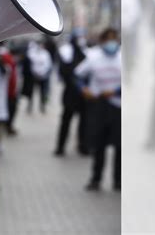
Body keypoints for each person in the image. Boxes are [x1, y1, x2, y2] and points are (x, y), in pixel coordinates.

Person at [75, 28, 121, 191]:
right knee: (99, 144)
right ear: (102, 41)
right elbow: (77, 76)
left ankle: (118, 181)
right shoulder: (93, 58)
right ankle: (96, 179)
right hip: (99, 106)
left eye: (114, 39)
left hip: (119, 107)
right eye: (108, 39)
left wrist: (116, 91)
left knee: (120, 146)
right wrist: (83, 89)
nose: (111, 42)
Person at [54, 33, 89, 156]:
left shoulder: (86, 54)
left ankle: (83, 145)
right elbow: (64, 74)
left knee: (84, 122)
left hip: (83, 95)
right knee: (66, 121)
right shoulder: (67, 54)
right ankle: (60, 146)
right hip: (70, 94)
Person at [27, 40, 53, 114]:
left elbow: (48, 65)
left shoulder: (46, 54)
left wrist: (42, 72)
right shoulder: (32, 53)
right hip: (33, 76)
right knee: (31, 92)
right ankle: (30, 106)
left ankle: (42, 106)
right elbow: (30, 62)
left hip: (43, 77)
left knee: (43, 92)